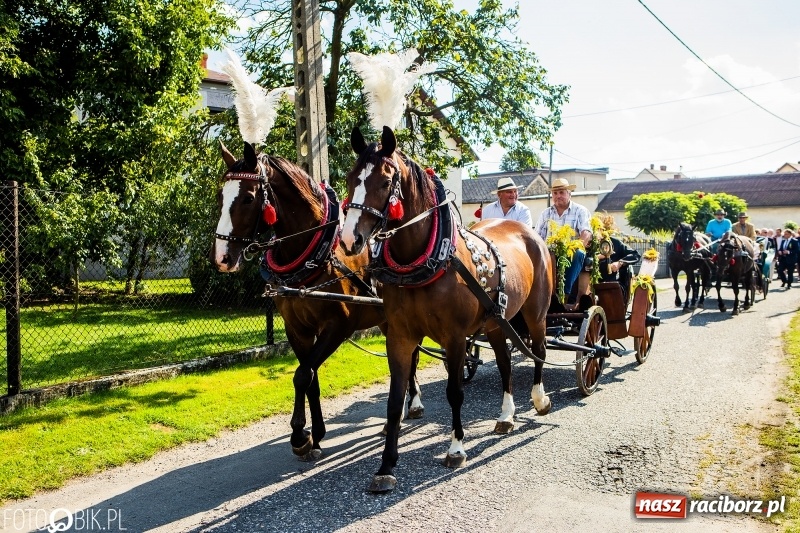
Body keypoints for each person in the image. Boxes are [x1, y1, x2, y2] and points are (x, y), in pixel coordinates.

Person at [534, 177, 592, 300]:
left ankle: (565, 294)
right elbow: (537, 237)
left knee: (579, 253)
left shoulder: (580, 211)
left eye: (561, 192)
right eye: (555, 193)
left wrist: (574, 247)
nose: (558, 196)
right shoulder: (546, 213)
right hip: (549, 253)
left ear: (569, 194)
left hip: (571, 253)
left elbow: (586, 233)